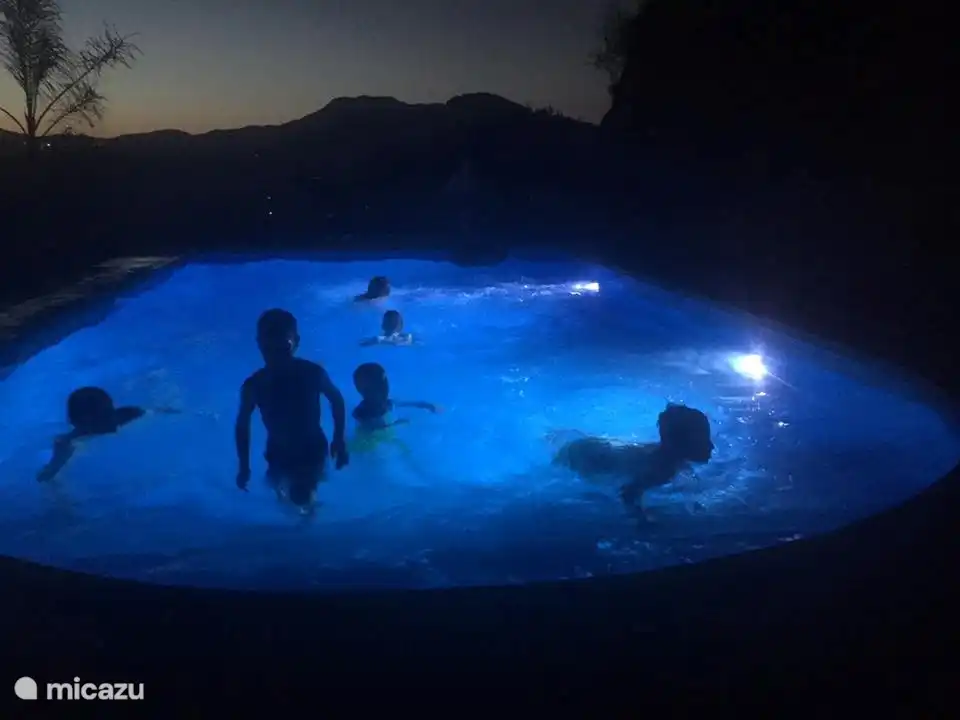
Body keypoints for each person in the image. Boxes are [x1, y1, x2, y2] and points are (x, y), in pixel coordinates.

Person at [234, 309, 349, 512]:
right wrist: (244, 465)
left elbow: (337, 400)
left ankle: (309, 523)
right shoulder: (255, 385)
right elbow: (243, 425)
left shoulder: (312, 373)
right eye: (270, 349)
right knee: (277, 490)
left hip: (311, 449)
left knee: (303, 496)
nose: (277, 356)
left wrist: (339, 438)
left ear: (296, 341)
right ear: (259, 344)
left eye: (283, 348)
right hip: (278, 451)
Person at [549, 403, 714, 514]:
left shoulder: (670, 458)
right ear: (679, 443)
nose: (711, 446)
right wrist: (642, 520)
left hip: (595, 447)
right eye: (704, 440)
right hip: (586, 454)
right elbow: (628, 494)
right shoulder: (661, 469)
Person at [37, 386, 180, 483]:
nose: (109, 425)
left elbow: (161, 411)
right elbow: (49, 475)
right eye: (102, 420)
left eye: (109, 415)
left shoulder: (128, 415)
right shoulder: (68, 443)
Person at [349, 362, 439, 453]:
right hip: (369, 440)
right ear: (365, 392)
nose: (385, 391)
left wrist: (426, 405)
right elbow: (375, 429)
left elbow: (404, 404)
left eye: (385, 386)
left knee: (404, 449)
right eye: (380, 389)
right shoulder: (362, 412)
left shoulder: (387, 403)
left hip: (385, 436)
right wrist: (398, 422)